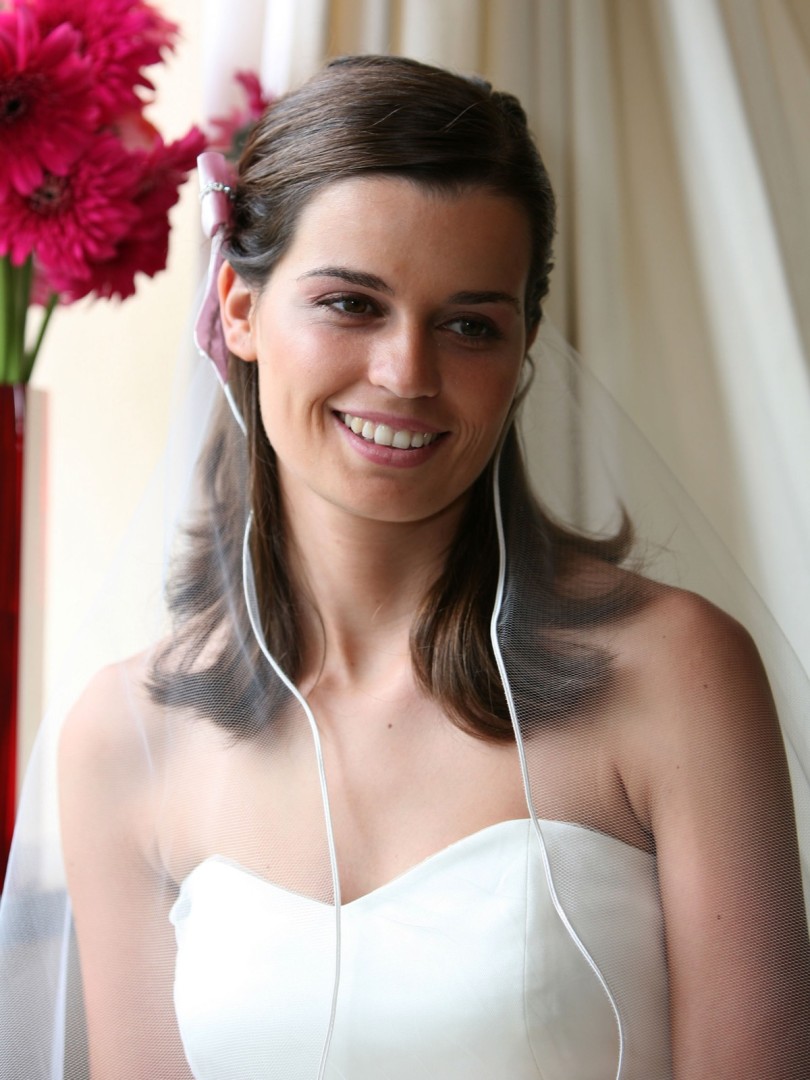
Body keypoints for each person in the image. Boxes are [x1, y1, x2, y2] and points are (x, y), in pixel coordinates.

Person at [2, 53, 810, 1079]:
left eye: (469, 325)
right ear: (239, 309)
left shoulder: (674, 673)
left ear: (522, 353)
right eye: (352, 304)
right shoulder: (125, 741)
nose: (407, 374)